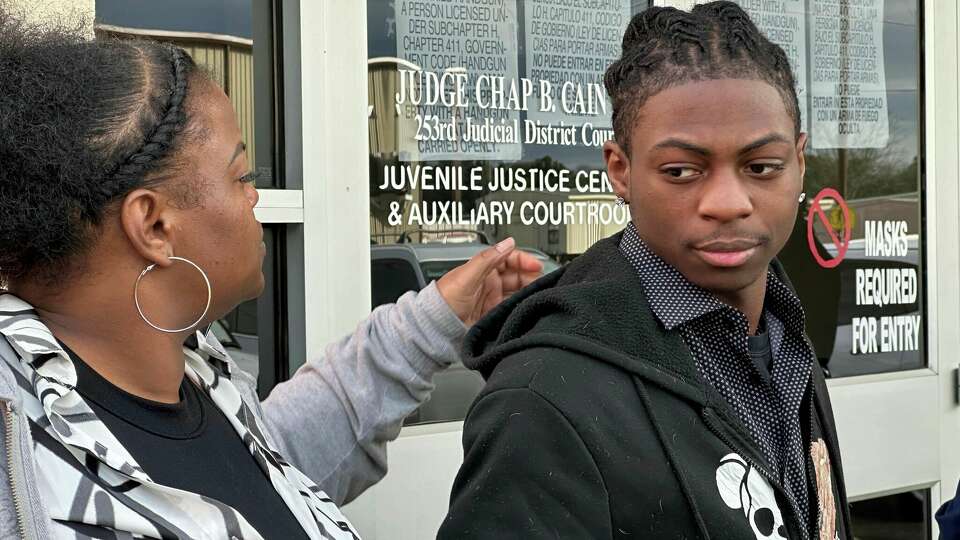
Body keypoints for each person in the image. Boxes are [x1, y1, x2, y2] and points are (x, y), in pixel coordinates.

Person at [0, 9, 542, 540]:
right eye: (241, 175)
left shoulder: (197, 378)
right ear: (154, 224)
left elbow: (273, 462)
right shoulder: (25, 473)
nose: (257, 195)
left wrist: (439, 315)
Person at [439, 3, 852, 539]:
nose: (728, 202)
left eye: (761, 167)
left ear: (799, 163)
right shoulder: (542, 401)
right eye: (681, 170)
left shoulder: (785, 338)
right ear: (621, 170)